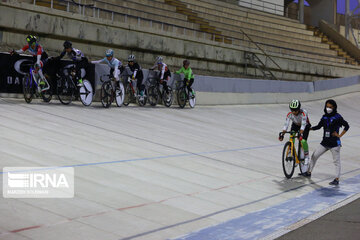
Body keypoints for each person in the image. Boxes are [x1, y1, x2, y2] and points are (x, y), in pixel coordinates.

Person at [302, 99, 349, 185]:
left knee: (336, 161)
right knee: (314, 156)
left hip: (334, 144)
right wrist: (309, 128)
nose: (328, 108)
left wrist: (339, 135)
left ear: (334, 107)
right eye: (327, 107)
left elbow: (347, 126)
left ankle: (337, 179)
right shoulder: (324, 117)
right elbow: (319, 126)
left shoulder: (338, 117)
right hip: (324, 143)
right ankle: (308, 172)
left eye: (330, 107)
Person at [279, 99, 311, 170]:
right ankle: (292, 153)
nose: (294, 112)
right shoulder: (289, 114)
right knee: (291, 137)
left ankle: (306, 156)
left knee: (303, 141)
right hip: (295, 125)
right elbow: (286, 125)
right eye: (292, 110)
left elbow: (303, 125)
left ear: (299, 109)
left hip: (305, 126)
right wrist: (282, 134)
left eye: (295, 110)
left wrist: (301, 133)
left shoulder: (304, 113)